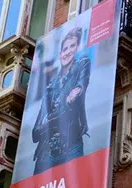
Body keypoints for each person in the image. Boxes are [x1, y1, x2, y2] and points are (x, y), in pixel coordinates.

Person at [31, 27, 90, 174]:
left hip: (72, 146)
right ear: (60, 54)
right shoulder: (49, 88)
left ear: (77, 49)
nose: (68, 51)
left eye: (72, 46)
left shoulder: (81, 66)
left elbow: (80, 86)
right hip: (46, 153)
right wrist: (52, 121)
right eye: (65, 49)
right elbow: (35, 133)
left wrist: (74, 96)